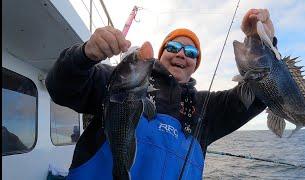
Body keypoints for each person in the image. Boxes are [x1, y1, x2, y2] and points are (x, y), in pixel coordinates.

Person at [46, 8, 275, 179]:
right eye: (173, 47)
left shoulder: (209, 108)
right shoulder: (116, 80)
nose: (181, 54)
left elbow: (259, 94)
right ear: (161, 53)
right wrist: (85, 54)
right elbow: (60, 87)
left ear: (195, 63)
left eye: (191, 51)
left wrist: (262, 42)